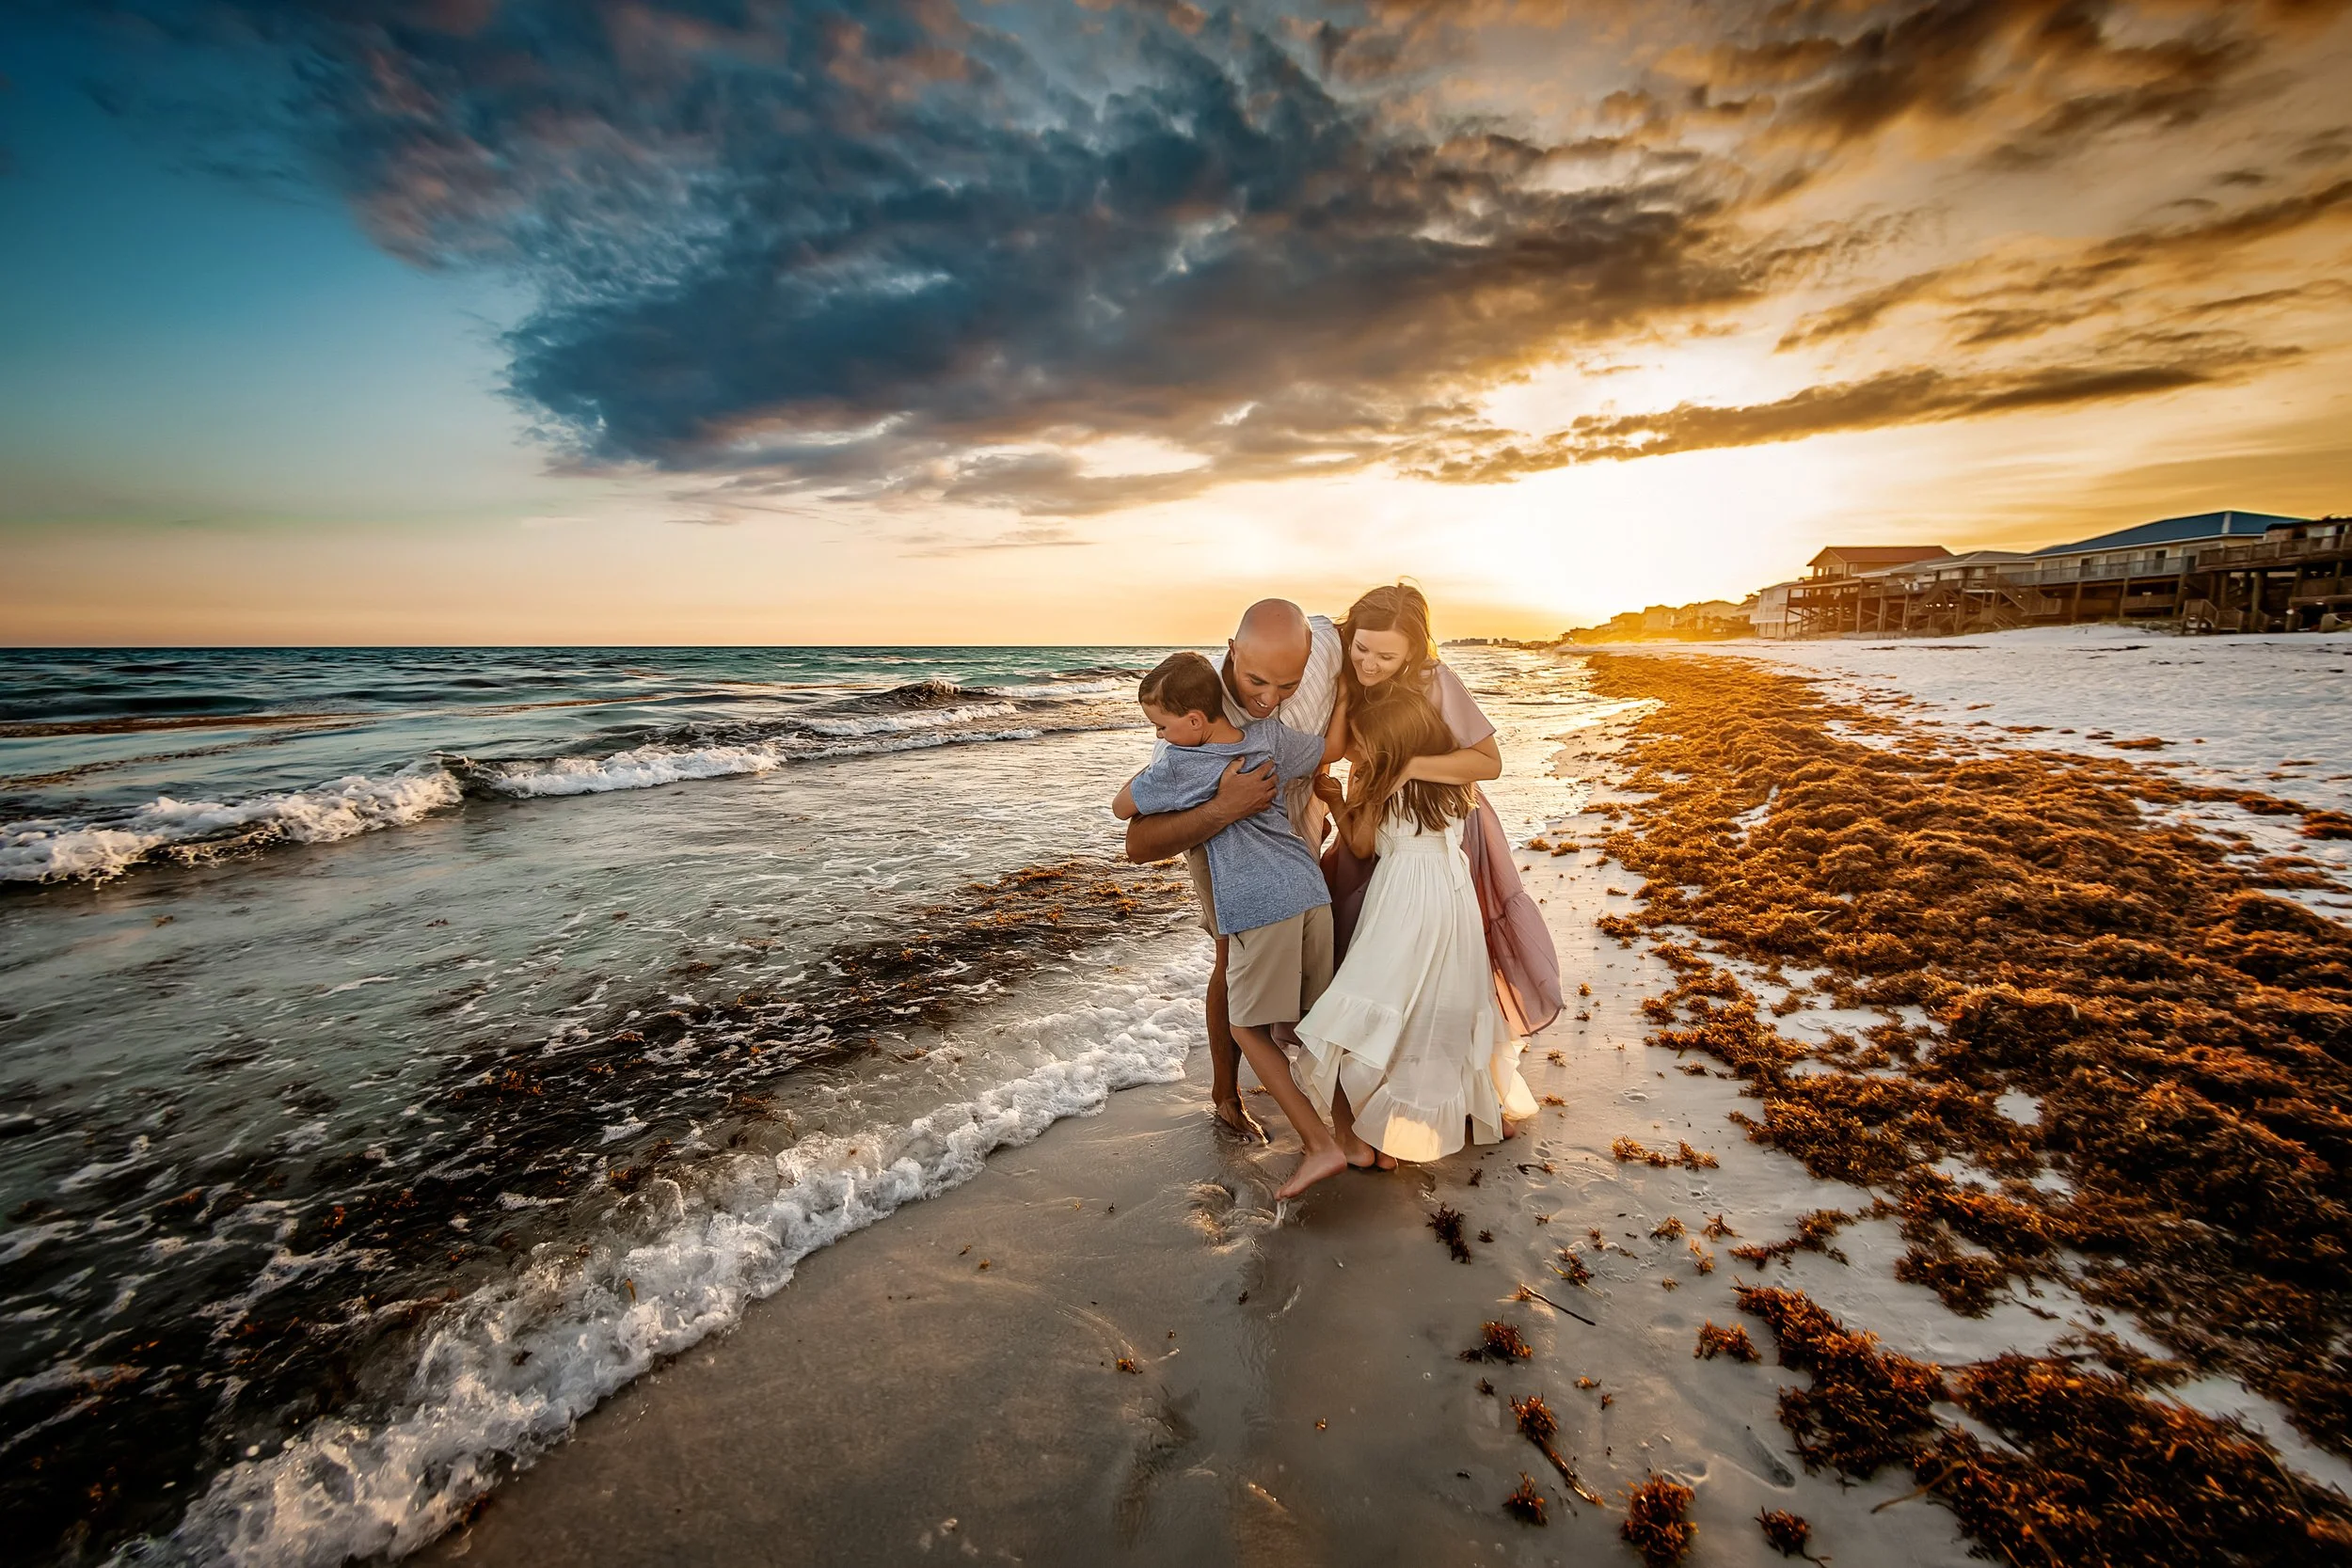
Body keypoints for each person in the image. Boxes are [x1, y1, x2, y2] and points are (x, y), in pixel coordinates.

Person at [1112, 652, 1351, 1198]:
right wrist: (1349, 699)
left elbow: (1122, 808)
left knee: (1247, 1026)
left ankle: (1321, 1146)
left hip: (1258, 904)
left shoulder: (1181, 763)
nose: (1161, 736)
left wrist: (1160, 769)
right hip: (1309, 888)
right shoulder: (1267, 737)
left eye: (1162, 726)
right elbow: (1331, 750)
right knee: (1317, 1021)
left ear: (1195, 721)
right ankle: (1353, 1135)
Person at [1295, 689, 1538, 1163]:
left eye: (1362, 743)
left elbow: (1362, 846)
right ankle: (1478, 1107)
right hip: (1452, 892)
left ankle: (1385, 1131)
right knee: (1449, 998)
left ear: (1386, 746)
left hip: (1403, 894)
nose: (1356, 751)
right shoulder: (1450, 779)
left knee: (1383, 994)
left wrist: (1338, 800)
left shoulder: (1378, 779)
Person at [1323, 584, 1564, 1037]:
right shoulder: (1347, 670)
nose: (1370, 664)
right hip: (1376, 808)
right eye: (1362, 648)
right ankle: (1377, 1039)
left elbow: (1488, 762)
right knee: (1361, 925)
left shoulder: (1433, 679)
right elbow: (1341, 749)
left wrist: (1410, 766)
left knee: (1434, 937)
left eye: (1387, 657)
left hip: (1436, 821)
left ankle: (1427, 1042)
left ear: (1413, 653)